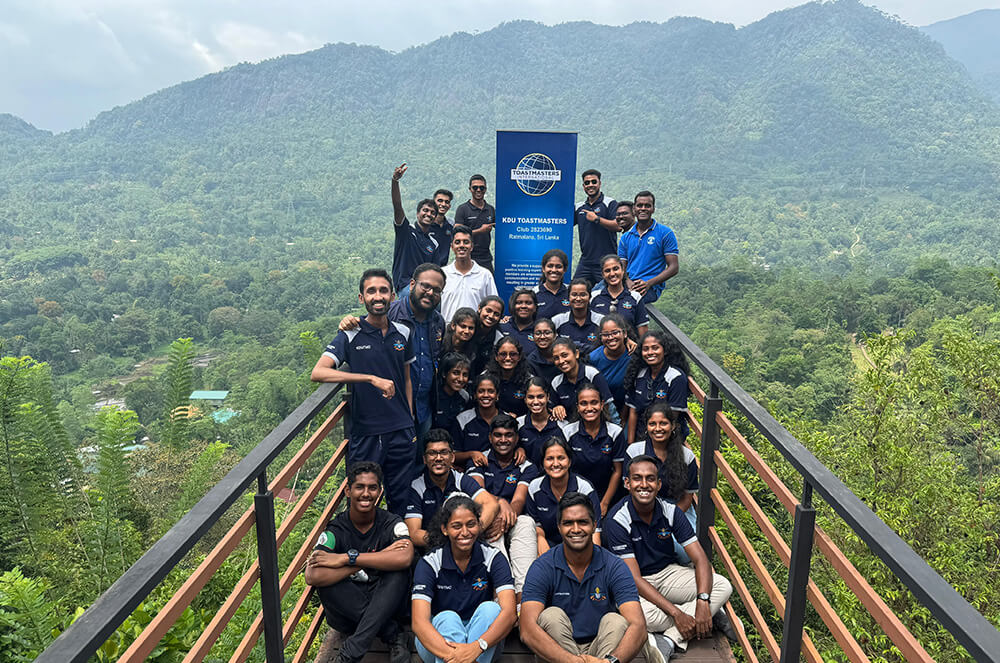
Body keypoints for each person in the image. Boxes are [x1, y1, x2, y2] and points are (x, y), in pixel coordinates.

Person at [605, 456, 733, 659]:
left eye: (650, 479)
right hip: (634, 582)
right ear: (627, 483)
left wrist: (702, 601)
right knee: (636, 617)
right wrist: (677, 613)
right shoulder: (617, 520)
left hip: (667, 573)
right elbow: (634, 579)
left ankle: (670, 638)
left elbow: (700, 559)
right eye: (637, 479)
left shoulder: (670, 511)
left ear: (658, 484)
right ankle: (708, 616)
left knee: (722, 585)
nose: (644, 485)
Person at [312, 269, 415, 516]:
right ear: (362, 298)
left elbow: (407, 378)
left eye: (383, 290)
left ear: (392, 296)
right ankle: (361, 550)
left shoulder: (404, 332)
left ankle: (396, 548)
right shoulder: (350, 333)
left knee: (400, 498)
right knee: (362, 501)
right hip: (367, 432)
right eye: (371, 291)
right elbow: (319, 372)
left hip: (401, 431)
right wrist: (369, 378)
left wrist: (409, 418)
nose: (377, 296)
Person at [520, 492, 655, 663]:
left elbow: (639, 626)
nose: (576, 529)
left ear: (594, 525)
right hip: (560, 652)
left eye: (582, 522)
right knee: (550, 616)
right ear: (559, 527)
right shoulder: (543, 566)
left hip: (601, 648)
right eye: (568, 523)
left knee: (616, 621)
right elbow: (527, 629)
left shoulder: (614, 565)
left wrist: (610, 662)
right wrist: (573, 661)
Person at [305, 462, 413, 663]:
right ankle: (392, 633)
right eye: (359, 487)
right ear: (348, 490)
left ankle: (350, 654)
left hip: (384, 600)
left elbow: (405, 556)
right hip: (351, 610)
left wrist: (346, 558)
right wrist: (367, 561)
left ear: (380, 491)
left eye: (372, 488)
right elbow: (312, 575)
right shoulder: (336, 529)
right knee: (327, 584)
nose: (366, 493)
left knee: (399, 572)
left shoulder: (392, 522)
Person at [338, 263, 446, 444]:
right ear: (412, 285)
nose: (430, 292)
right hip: (391, 410)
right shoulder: (391, 315)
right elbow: (365, 328)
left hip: (425, 406)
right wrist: (347, 322)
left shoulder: (438, 321)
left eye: (436, 290)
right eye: (425, 286)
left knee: (418, 459)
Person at [412, 495, 517, 663]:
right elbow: (419, 623)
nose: (465, 532)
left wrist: (476, 647)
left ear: (479, 524)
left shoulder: (493, 557)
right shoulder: (430, 562)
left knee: (491, 609)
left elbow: (510, 614)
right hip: (436, 642)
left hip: (483, 643)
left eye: (471, 524)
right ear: (445, 529)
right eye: (456, 526)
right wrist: (458, 656)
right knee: (448, 618)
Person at [467, 415, 539, 598]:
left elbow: (518, 501)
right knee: (492, 523)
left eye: (508, 435)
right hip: (486, 520)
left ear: (516, 438)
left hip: (511, 519)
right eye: (498, 435)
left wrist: (505, 510)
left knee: (526, 522)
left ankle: (524, 595)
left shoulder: (526, 466)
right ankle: (504, 595)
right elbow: (479, 498)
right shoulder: (479, 460)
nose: (503, 440)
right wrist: (500, 502)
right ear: (490, 437)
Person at [625, 405, 698, 565]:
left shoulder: (687, 456)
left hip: (678, 508)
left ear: (673, 426)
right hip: (642, 506)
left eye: (663, 423)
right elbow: (631, 491)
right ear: (646, 426)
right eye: (652, 424)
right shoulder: (635, 452)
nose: (658, 428)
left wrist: (667, 519)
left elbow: (687, 499)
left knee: (684, 553)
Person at [404, 429, 498, 548]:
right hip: (434, 549)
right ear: (424, 459)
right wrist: (450, 540)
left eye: (444, 452)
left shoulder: (462, 480)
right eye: (432, 453)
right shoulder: (416, 487)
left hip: (466, 544)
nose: (438, 458)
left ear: (452, 457)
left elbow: (491, 504)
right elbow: (414, 533)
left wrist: (473, 532)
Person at [525, 437, 602, 554]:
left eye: (561, 458)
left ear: (569, 461)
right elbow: (536, 524)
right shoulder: (535, 487)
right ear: (543, 463)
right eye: (550, 459)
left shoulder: (584, 488)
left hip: (579, 543)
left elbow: (594, 531)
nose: (555, 464)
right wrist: (540, 538)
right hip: (549, 544)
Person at [560, 383, 626, 517]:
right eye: (584, 403)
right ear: (578, 407)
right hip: (576, 494)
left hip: (607, 495)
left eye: (594, 403)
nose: (589, 408)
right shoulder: (568, 432)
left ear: (602, 405)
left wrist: (604, 503)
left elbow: (618, 471)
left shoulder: (615, 432)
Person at [623, 331, 691, 444]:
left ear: (665, 350)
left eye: (655, 348)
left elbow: (672, 418)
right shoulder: (640, 374)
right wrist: (631, 446)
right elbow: (633, 412)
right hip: (641, 434)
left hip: (667, 438)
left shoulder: (675, 377)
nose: (650, 353)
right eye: (646, 349)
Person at [390, 164, 450, 294]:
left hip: (426, 290)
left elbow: (435, 270)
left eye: (432, 212)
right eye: (425, 210)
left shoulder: (434, 244)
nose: (428, 214)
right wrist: (395, 181)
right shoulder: (406, 232)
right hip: (406, 288)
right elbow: (397, 206)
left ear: (435, 217)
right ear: (418, 214)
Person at [617, 191, 678, 305]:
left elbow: (674, 267)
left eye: (647, 206)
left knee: (626, 304)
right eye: (640, 205)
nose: (643, 209)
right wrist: (628, 281)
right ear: (634, 209)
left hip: (650, 288)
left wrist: (648, 283)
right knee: (597, 296)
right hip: (627, 284)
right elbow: (621, 267)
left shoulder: (665, 233)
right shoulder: (626, 237)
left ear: (653, 209)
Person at [549, 336, 616, 422]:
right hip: (571, 428)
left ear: (576, 354)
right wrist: (556, 407)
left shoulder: (592, 374)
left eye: (564, 355)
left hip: (599, 423)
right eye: (556, 358)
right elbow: (551, 407)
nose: (561, 361)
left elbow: (608, 406)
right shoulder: (556, 382)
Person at [442, 225, 499, 322]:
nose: (462, 245)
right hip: (447, 331)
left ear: (472, 246)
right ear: (452, 247)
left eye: (466, 242)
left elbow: (493, 305)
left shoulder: (484, 275)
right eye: (457, 242)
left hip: (474, 330)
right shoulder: (443, 274)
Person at [574, 169, 620, 285]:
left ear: (600, 183)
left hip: (607, 262)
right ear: (583, 186)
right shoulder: (579, 207)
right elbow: (563, 224)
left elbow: (618, 226)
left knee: (609, 294)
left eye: (594, 182)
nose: (590, 185)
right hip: (586, 261)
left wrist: (597, 219)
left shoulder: (610, 203)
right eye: (587, 183)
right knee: (575, 290)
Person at [591, 255, 649, 338]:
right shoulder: (594, 297)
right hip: (600, 348)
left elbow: (643, 333)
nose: (612, 274)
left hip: (629, 349)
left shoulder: (635, 297)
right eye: (607, 271)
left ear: (623, 271)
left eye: (615, 269)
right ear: (603, 275)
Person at [454, 373, 504, 468]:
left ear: (497, 395)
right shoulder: (463, 419)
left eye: (490, 391)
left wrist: (520, 449)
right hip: (472, 470)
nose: (486, 395)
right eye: (481, 391)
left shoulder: (508, 419)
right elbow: (453, 455)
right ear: (475, 395)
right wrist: (472, 454)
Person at [589, 314, 635, 414]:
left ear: (625, 333)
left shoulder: (634, 355)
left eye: (615, 333)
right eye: (605, 335)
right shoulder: (593, 358)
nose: (610, 337)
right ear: (600, 337)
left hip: (630, 408)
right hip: (602, 410)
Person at [516, 376, 565, 466]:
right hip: (526, 477)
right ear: (525, 399)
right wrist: (518, 448)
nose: (536, 402)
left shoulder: (562, 425)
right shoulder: (518, 424)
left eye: (540, 396)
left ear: (548, 397)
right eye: (531, 397)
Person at [453, 175, 496, 272]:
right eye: (475, 187)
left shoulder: (490, 209)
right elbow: (456, 233)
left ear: (485, 189)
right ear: (470, 189)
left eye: (482, 187)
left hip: (485, 258)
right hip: (467, 256)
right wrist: (480, 231)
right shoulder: (463, 209)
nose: (478, 190)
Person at [552, 278, 605, 355]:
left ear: (590, 297)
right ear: (568, 297)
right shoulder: (557, 321)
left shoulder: (601, 321)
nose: (578, 298)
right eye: (574, 295)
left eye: (583, 295)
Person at [484, 336, 531, 417]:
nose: (508, 358)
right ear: (496, 357)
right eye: (503, 354)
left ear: (519, 357)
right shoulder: (486, 378)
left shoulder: (528, 380)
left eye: (513, 354)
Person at [432, 352, 471, 434]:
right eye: (456, 373)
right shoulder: (434, 395)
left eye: (465, 375)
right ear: (444, 374)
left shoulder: (464, 397)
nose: (460, 379)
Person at [471, 296, 505, 376]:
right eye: (488, 311)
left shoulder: (498, 338)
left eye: (496, 314)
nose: (491, 316)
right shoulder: (468, 328)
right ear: (479, 309)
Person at [532, 249, 570, 319]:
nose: (554, 270)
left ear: (565, 269)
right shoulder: (533, 294)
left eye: (558, 266)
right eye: (550, 266)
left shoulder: (571, 292)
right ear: (543, 268)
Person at [499, 288, 538, 355]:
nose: (523, 306)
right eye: (519, 303)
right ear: (513, 306)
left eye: (528, 303)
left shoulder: (539, 331)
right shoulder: (501, 327)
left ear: (535, 307)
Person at [524, 318, 560, 383]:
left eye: (547, 333)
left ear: (555, 335)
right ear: (533, 337)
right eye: (538, 333)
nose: (542, 337)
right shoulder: (531, 361)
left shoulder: (562, 355)